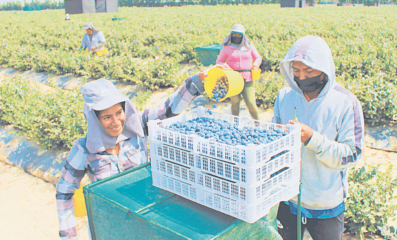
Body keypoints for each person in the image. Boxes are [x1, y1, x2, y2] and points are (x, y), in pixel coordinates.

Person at [56, 72, 207, 239]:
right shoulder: (83, 149)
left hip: (144, 216)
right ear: (95, 119)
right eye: (106, 117)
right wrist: (68, 235)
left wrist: (195, 83)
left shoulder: (138, 127)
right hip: (109, 225)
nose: (115, 122)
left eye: (119, 113)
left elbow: (168, 109)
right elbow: (64, 192)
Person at [272, 36, 364, 240]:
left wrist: (313, 139)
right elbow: (273, 138)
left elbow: (352, 154)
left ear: (323, 69)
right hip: (289, 198)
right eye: (296, 71)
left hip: (325, 203)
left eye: (309, 71)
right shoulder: (285, 96)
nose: (301, 77)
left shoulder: (345, 102)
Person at [216, 24, 262, 120]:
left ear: (243, 36)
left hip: (247, 78)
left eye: (239, 35)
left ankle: (258, 123)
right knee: (235, 102)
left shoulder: (249, 47)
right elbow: (219, 61)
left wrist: (255, 65)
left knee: (251, 103)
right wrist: (225, 66)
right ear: (231, 35)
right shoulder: (227, 48)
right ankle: (235, 122)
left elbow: (258, 57)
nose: (236, 36)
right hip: (233, 79)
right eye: (234, 34)